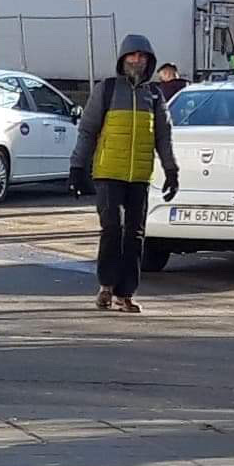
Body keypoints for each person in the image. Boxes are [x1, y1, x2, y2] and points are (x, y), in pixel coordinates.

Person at [71, 35, 180, 313]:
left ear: (149, 61)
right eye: (132, 55)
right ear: (122, 58)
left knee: (135, 235)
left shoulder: (154, 95)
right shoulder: (106, 90)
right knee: (112, 229)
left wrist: (171, 171)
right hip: (108, 173)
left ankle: (126, 293)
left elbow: (163, 136)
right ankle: (106, 286)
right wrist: (77, 167)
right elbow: (87, 131)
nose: (137, 60)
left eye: (142, 56)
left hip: (139, 176)